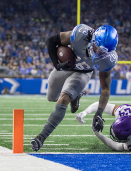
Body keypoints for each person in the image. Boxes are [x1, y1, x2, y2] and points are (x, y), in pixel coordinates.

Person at [31, 24, 119, 152]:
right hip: (67, 65)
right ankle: (76, 96)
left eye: (102, 52)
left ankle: (41, 137)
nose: (97, 53)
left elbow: (105, 88)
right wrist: (57, 64)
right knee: (51, 97)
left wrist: (99, 113)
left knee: (63, 99)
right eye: (97, 48)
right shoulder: (80, 35)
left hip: (83, 72)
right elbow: (51, 40)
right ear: (93, 39)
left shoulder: (108, 61)